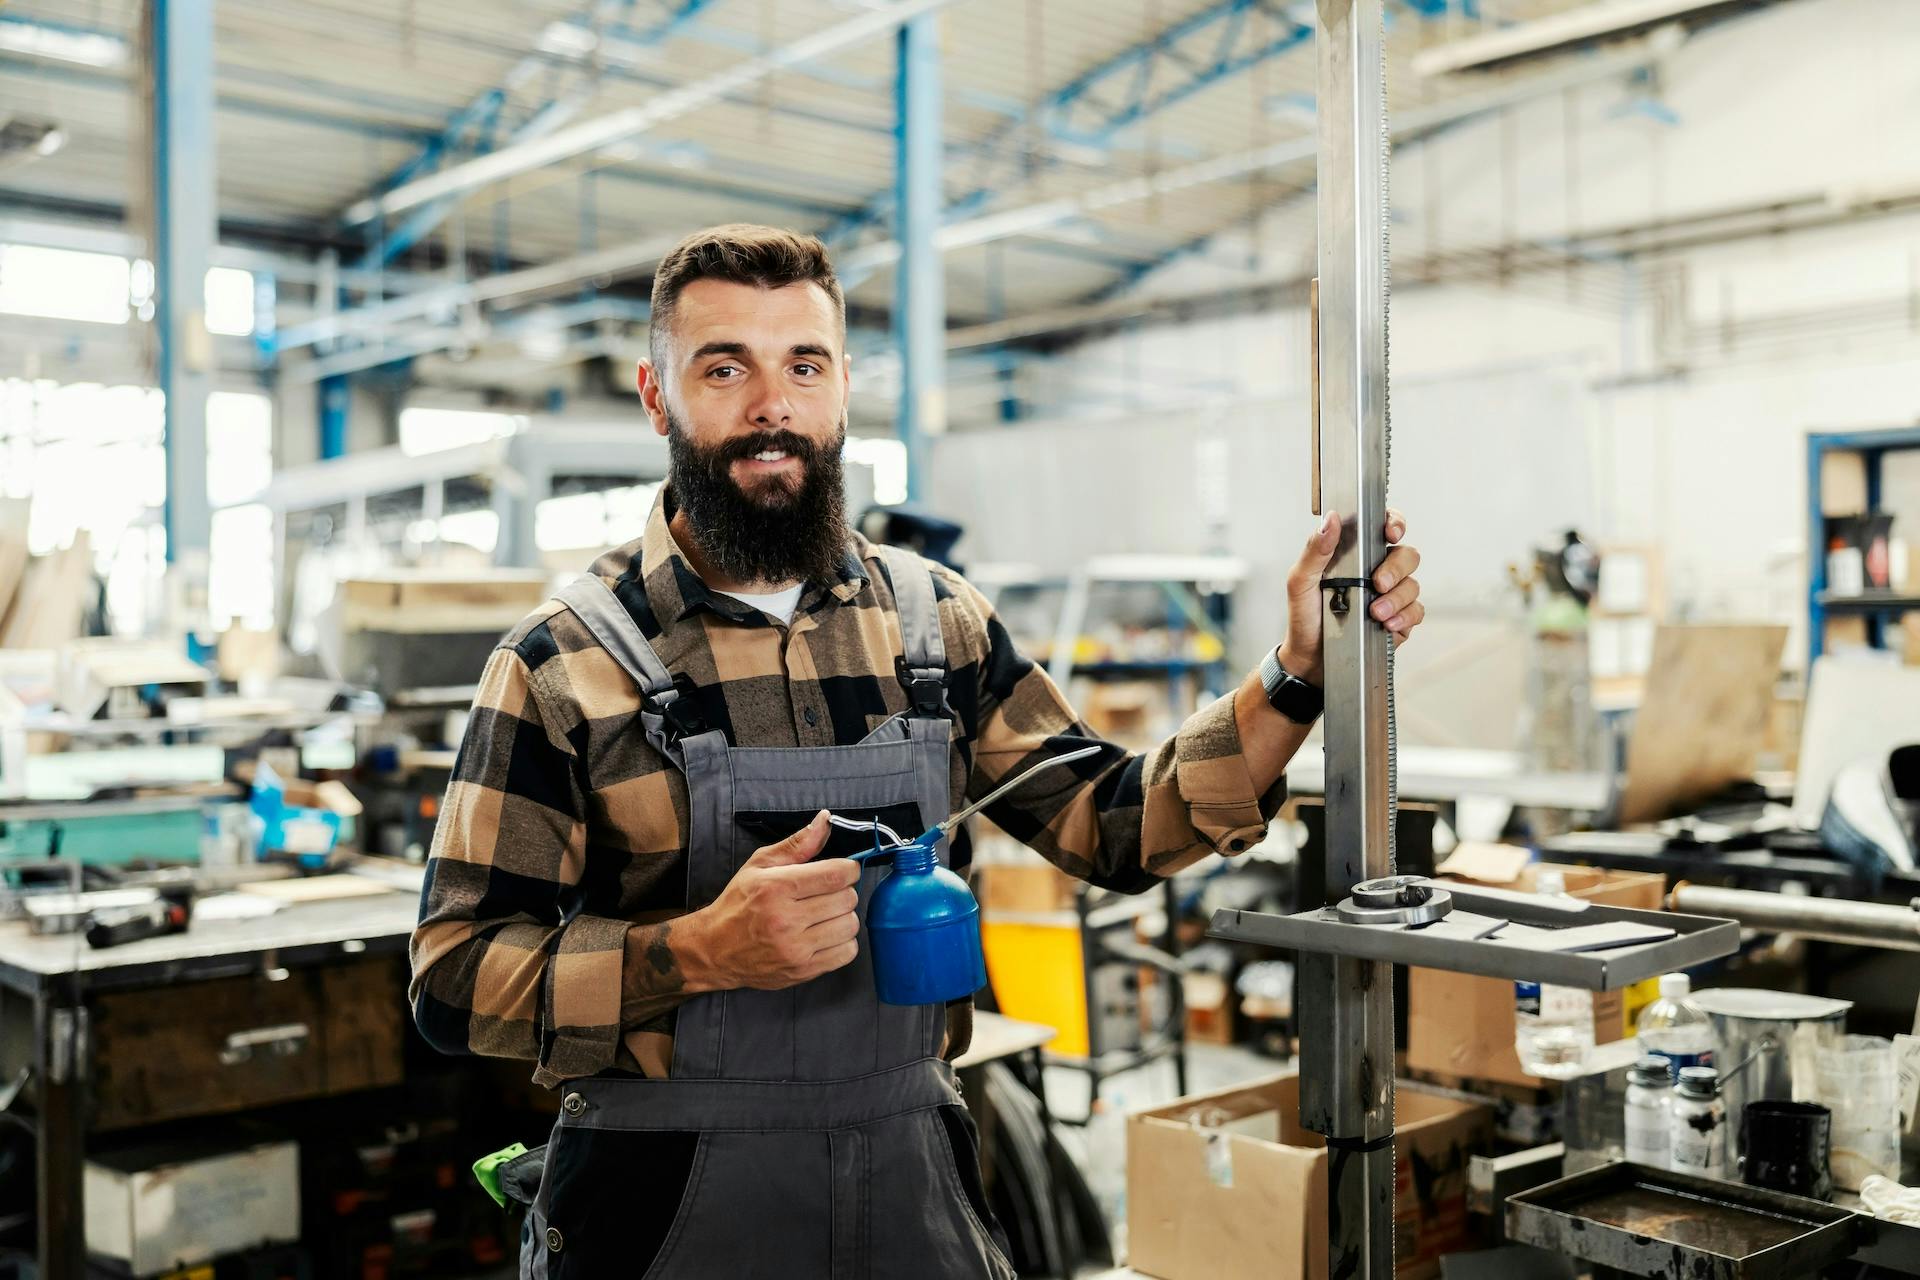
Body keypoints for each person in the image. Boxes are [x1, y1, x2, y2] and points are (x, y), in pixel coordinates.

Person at [409, 223, 1425, 1277]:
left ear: (843, 383)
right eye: (725, 368)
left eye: (804, 364)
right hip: (662, 1200)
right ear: (657, 395)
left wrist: (1297, 673)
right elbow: (450, 978)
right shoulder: (562, 661)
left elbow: (1113, 824)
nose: (773, 406)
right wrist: (699, 951)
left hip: (908, 1184)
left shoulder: (935, 625)